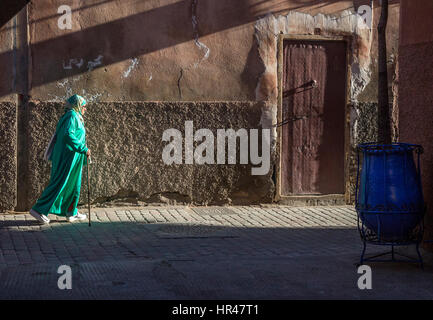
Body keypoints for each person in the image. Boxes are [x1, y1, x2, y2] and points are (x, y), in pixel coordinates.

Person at [29, 94, 91, 224]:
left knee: (74, 185)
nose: (85, 109)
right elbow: (68, 135)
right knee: (59, 183)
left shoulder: (75, 116)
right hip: (67, 157)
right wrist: (83, 148)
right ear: (78, 105)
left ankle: (71, 211)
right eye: (84, 106)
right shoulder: (71, 116)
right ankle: (38, 210)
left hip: (74, 157)